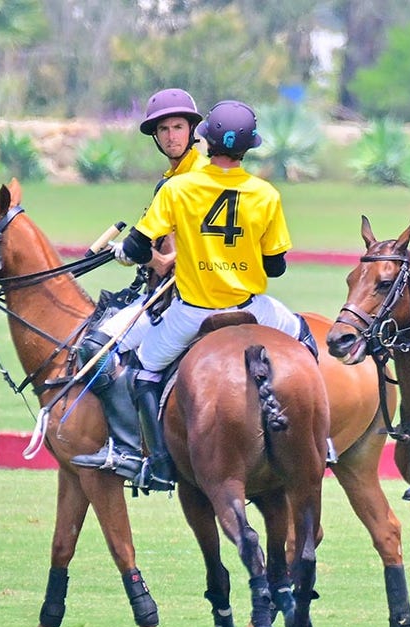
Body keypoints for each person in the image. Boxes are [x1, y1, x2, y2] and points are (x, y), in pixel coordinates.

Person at [91, 99, 312, 492]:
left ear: (204, 139)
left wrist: (126, 253)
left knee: (142, 370)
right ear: (249, 148)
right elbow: (276, 266)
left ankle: (157, 461)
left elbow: (139, 247)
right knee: (306, 341)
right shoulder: (266, 194)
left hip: (193, 312)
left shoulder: (178, 189)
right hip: (252, 308)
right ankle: (319, 440)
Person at [71, 88, 207, 481]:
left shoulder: (190, 180)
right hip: (190, 289)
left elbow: (171, 259)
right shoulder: (180, 175)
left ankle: (130, 448)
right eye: (162, 129)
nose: (170, 136)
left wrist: (134, 253)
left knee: (95, 348)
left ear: (192, 128)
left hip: (179, 295)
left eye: (178, 127)